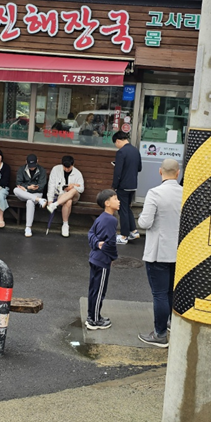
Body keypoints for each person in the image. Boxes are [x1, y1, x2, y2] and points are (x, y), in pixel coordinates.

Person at [136, 158, 182, 348]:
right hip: (179, 252)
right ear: (178, 173)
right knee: (171, 291)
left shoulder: (155, 193)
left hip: (158, 251)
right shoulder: (185, 193)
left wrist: (141, 217)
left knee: (160, 294)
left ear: (160, 171)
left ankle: (160, 334)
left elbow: (144, 223)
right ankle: (170, 322)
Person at [86, 189, 120, 331]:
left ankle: (92, 316)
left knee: (94, 289)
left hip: (94, 258)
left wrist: (96, 243)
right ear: (107, 203)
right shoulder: (111, 220)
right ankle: (94, 320)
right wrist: (113, 257)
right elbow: (111, 243)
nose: (118, 201)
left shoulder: (101, 217)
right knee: (100, 291)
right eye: (115, 199)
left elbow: (90, 233)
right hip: (102, 260)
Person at [112, 131, 142, 244]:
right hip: (133, 185)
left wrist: (115, 186)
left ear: (118, 141)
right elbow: (139, 168)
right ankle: (133, 231)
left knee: (122, 210)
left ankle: (124, 236)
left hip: (123, 185)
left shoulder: (121, 152)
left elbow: (118, 172)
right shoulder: (135, 151)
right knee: (127, 208)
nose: (116, 146)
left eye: (115, 144)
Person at [46, 155, 85, 238]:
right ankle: (65, 225)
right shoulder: (56, 169)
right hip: (61, 195)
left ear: (73, 165)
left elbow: (81, 189)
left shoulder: (77, 173)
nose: (66, 169)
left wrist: (73, 186)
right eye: (65, 167)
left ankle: (55, 205)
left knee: (73, 190)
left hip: (75, 196)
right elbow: (51, 185)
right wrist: (50, 200)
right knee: (68, 201)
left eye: (69, 168)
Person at [13, 154, 48, 238]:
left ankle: (28, 227)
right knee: (15, 190)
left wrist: (27, 189)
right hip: (27, 194)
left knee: (30, 202)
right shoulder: (22, 169)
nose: (32, 168)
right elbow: (18, 183)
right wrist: (28, 187)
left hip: (36, 193)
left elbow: (41, 186)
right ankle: (40, 200)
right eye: (30, 166)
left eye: (33, 165)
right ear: (26, 162)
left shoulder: (42, 170)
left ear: (37, 161)